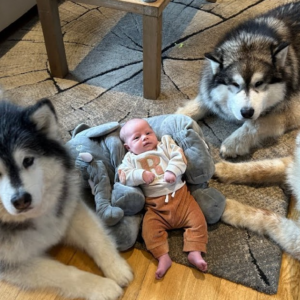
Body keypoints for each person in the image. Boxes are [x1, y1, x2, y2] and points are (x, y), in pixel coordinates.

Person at [118, 118, 208, 280]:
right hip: (155, 207)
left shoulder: (165, 144)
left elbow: (179, 157)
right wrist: (140, 175)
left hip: (182, 200)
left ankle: (195, 251)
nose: (144, 138)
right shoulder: (130, 159)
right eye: (136, 138)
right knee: (149, 231)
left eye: (148, 133)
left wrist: (172, 171)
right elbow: (123, 177)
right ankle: (162, 257)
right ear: (128, 147)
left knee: (198, 221)